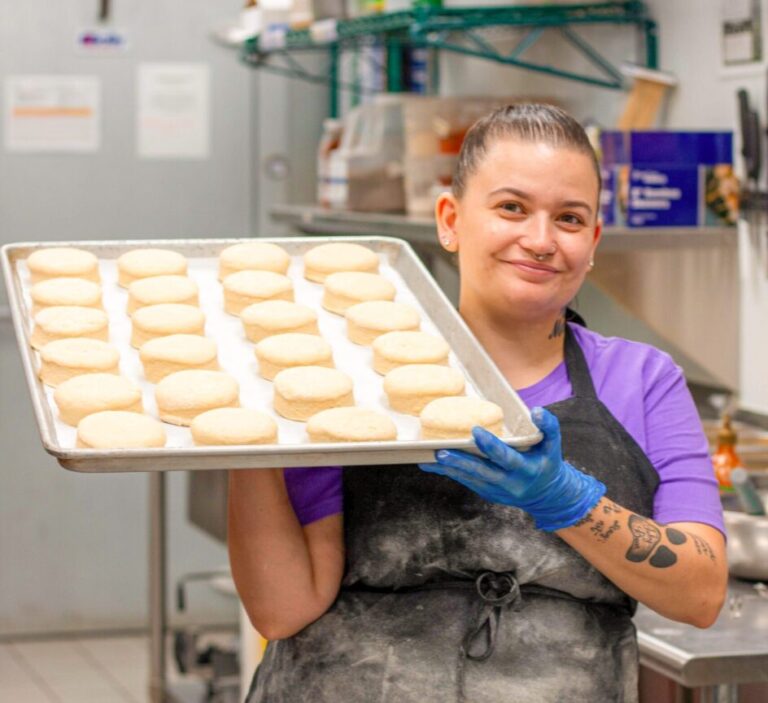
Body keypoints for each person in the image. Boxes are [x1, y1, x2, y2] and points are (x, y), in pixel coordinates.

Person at [228, 104, 727, 703]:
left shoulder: (642, 380)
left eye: (569, 219)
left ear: (592, 241)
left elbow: (700, 594)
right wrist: (244, 433)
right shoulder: (347, 375)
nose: (540, 240)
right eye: (511, 208)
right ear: (450, 219)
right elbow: (284, 610)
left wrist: (567, 502)